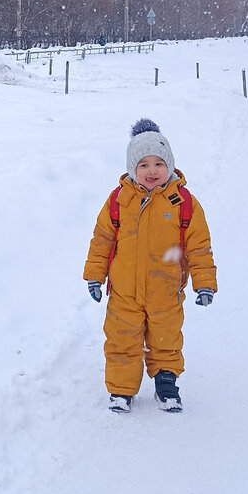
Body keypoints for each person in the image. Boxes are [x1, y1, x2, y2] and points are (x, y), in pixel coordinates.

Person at [83, 118, 217, 413]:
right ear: (133, 168)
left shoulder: (183, 203)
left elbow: (199, 246)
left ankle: (166, 386)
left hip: (165, 291)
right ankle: (120, 391)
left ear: (169, 164)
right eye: (143, 165)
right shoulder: (119, 200)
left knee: (166, 339)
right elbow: (102, 239)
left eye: (158, 163)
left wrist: (204, 283)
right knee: (121, 341)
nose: (152, 171)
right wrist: (94, 276)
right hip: (124, 293)